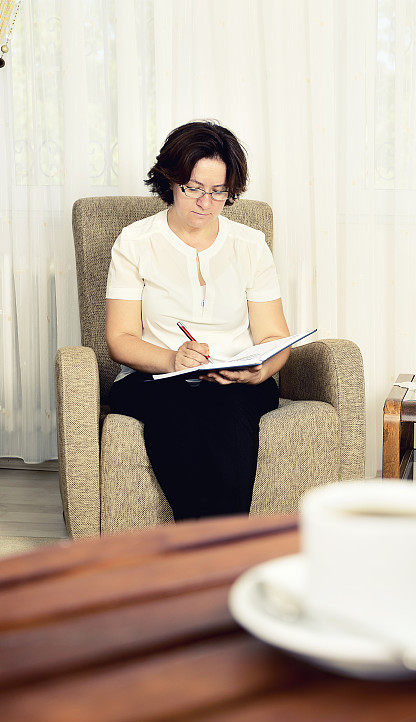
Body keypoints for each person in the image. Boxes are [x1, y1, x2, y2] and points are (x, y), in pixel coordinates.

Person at [105, 120, 290, 520]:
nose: (205, 203)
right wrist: (172, 359)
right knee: (179, 411)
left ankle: (207, 555)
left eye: (218, 192)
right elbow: (120, 339)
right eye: (194, 188)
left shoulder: (249, 245)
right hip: (155, 378)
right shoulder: (135, 242)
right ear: (170, 180)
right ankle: (220, 554)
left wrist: (259, 371)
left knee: (225, 411)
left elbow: (275, 335)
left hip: (236, 381)